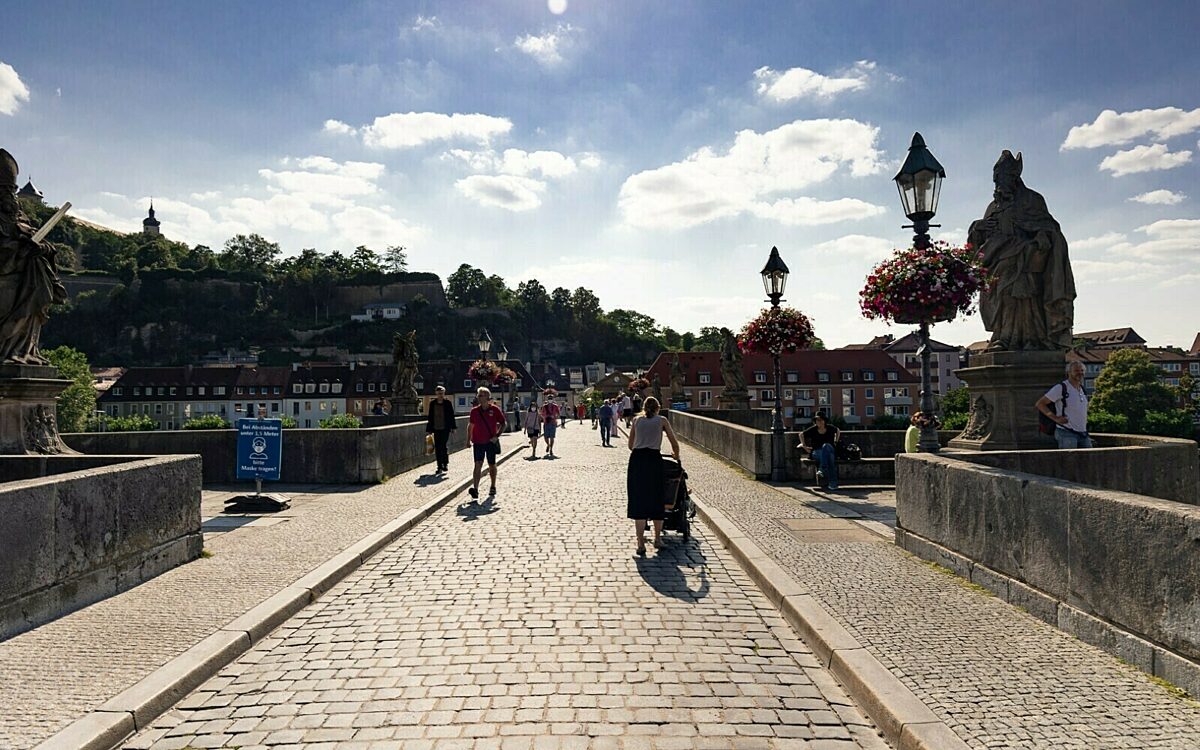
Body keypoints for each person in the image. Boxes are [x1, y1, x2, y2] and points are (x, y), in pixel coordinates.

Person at [626, 397, 681, 557]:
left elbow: (630, 445)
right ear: (658, 408)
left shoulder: (636, 420)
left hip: (637, 461)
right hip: (653, 460)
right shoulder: (662, 420)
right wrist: (675, 456)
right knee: (657, 498)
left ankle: (641, 543)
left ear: (644, 407)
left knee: (638, 500)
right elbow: (674, 443)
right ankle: (657, 539)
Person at [1036, 361, 1092, 449]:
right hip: (1066, 432)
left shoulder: (1082, 389)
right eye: (1076, 371)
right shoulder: (1061, 388)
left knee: (1089, 460)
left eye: (1082, 371)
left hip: (1083, 433)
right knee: (1069, 461)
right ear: (1069, 372)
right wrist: (1056, 418)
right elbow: (1040, 404)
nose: (1080, 373)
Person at [468, 386, 506, 500]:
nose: (479, 397)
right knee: (477, 464)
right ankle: (475, 489)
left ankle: (493, 485)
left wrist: (497, 436)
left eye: (481, 395)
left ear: (488, 397)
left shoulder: (494, 410)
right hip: (478, 442)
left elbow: (503, 423)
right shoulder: (474, 411)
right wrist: (467, 440)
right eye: (478, 395)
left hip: (490, 441)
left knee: (491, 464)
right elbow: (470, 426)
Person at [800, 413, 840, 490]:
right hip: (817, 452)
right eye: (817, 420)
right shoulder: (813, 429)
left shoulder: (830, 428)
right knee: (830, 458)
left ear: (824, 421)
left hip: (830, 449)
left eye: (821, 420)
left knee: (826, 446)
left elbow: (838, 430)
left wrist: (836, 441)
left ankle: (822, 469)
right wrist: (804, 446)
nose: (819, 422)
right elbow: (801, 434)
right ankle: (833, 483)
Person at [425, 386, 456, 473]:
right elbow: (430, 417)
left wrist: (453, 427)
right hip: (436, 428)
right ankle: (439, 466)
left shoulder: (447, 403)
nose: (440, 395)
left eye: (442, 393)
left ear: (444, 393)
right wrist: (429, 429)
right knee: (438, 447)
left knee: (443, 445)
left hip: (445, 428)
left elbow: (451, 416)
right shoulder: (432, 404)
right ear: (436, 394)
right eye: (439, 394)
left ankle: (445, 463)